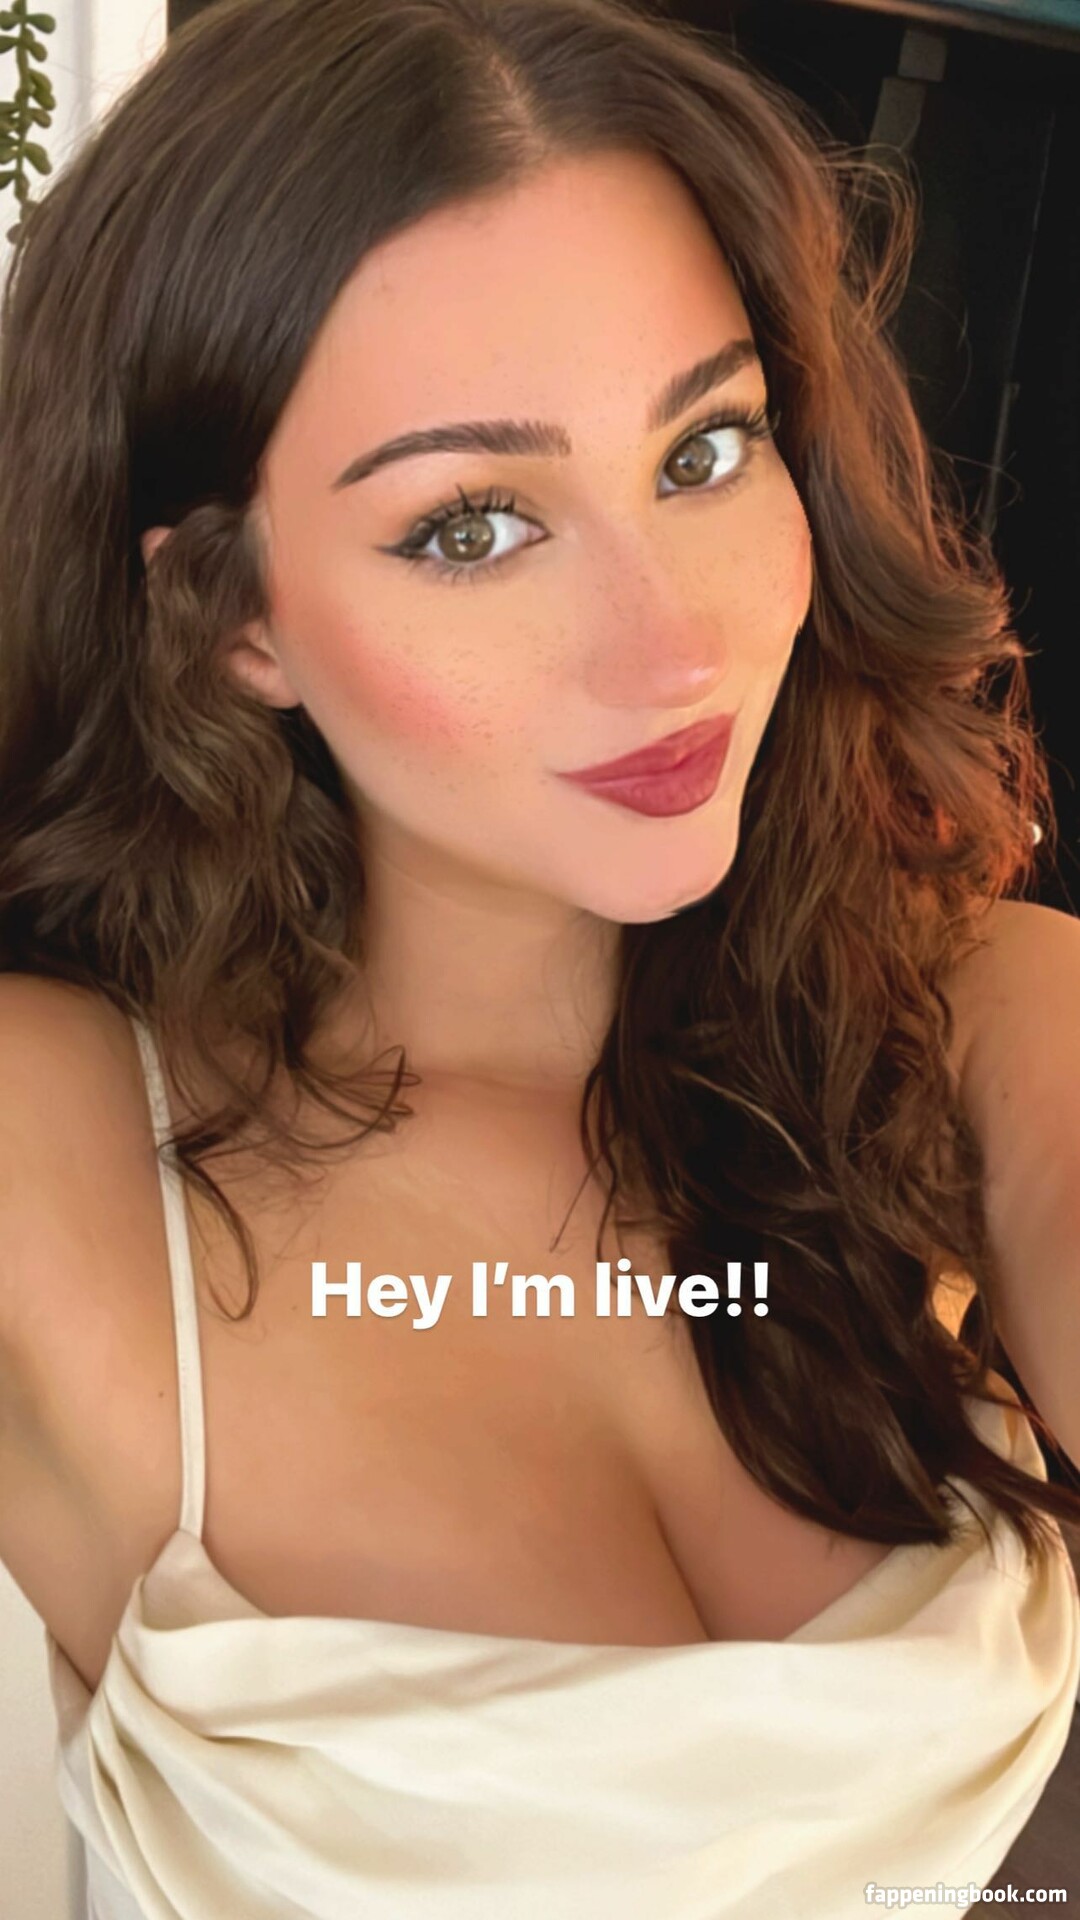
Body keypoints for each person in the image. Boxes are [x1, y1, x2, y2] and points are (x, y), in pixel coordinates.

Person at [0, 0, 1077, 1914]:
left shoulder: (971, 1021)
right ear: (234, 617)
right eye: (474, 525)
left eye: (705, 448)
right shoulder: (54, 1150)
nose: (674, 649)